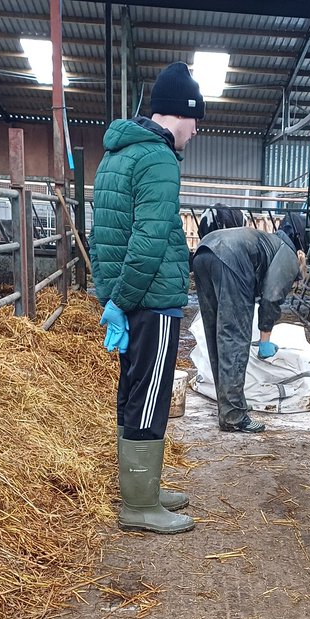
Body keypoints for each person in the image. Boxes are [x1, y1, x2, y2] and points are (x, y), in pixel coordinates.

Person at [90, 61, 204, 535]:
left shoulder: (117, 153)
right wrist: (125, 298)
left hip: (127, 298)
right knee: (151, 396)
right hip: (151, 299)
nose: (196, 133)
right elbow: (150, 238)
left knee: (133, 390)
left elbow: (100, 234)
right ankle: (139, 505)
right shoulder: (157, 158)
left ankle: (142, 487)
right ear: (182, 113)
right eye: (197, 122)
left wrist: (111, 297)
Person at [191, 211, 301, 433]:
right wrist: (265, 338)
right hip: (231, 257)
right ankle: (233, 416)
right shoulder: (289, 254)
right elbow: (272, 296)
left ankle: (227, 406)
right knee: (233, 337)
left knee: (216, 333)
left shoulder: (269, 241)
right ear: (301, 254)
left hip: (204, 252)